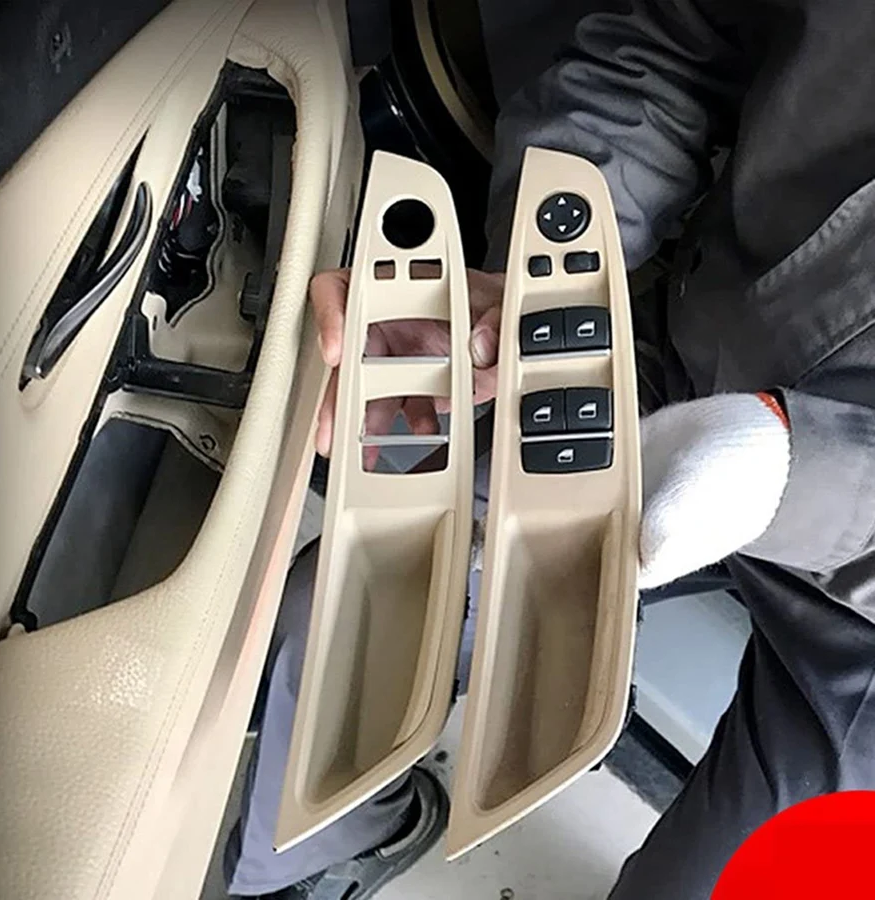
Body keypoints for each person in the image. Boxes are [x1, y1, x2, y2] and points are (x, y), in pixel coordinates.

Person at [225, 0, 875, 897]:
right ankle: (323, 847)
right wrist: (545, 289)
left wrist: (792, 474)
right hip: (675, 361)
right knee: (348, 612)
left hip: (858, 627)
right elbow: (669, 41)